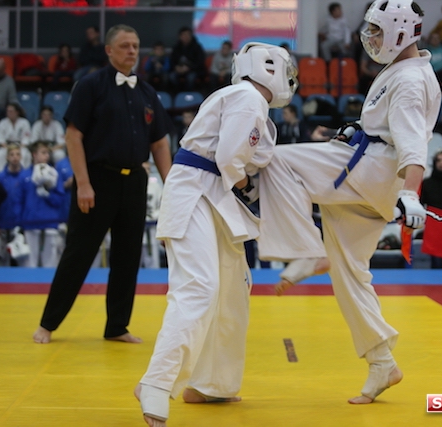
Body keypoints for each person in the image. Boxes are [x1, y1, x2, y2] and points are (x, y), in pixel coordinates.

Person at [257, 0, 440, 404]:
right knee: (350, 275)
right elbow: (392, 130)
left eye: (377, 31)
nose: (370, 38)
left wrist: (411, 193)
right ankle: (382, 363)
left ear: (400, 31)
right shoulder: (404, 70)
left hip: (372, 171)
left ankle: (308, 250)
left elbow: (413, 142)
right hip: (374, 181)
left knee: (278, 162)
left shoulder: (410, 80)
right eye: (369, 30)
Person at [134, 42, 297, 426]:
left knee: (233, 291)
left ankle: (212, 384)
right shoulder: (247, 97)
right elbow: (228, 160)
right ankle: (156, 382)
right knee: (200, 287)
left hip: (215, 196)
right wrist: (249, 187)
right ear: (269, 68)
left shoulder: (247, 101)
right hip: (197, 190)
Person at [32, 24, 172, 345]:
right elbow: (73, 136)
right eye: (125, 45)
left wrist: (173, 187)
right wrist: (83, 184)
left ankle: (117, 326)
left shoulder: (147, 92)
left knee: (128, 257)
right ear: (109, 50)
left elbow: (160, 144)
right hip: (97, 180)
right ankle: (48, 324)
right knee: (78, 254)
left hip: (134, 181)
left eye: (135, 45)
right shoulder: (90, 85)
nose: (132, 51)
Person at [15, 141, 65, 268]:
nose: (46, 156)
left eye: (48, 153)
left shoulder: (54, 174)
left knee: (50, 263)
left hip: (49, 222)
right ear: (34, 154)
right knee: (29, 263)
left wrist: (47, 194)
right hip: (30, 222)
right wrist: (18, 223)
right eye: (43, 153)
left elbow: (59, 200)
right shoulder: (24, 175)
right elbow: (18, 201)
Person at [0, 144, 25, 264]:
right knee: (2, 263)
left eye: (17, 154)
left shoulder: (26, 177)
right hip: (3, 224)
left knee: (21, 262)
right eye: (12, 155)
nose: (15, 157)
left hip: (21, 225)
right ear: (7, 157)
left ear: (21, 156)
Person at [0, 103, 32, 172]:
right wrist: (8, 148)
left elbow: (26, 138)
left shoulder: (24, 122)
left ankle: (23, 173)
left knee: (24, 154)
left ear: (17, 112)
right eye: (8, 111)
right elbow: (0, 139)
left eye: (11, 111)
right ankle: (2, 173)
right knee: (0, 154)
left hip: (20, 146)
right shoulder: (2, 123)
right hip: (6, 146)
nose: (9, 113)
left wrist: (19, 147)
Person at [169, 27, 206, 92]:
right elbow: (172, 60)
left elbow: (200, 62)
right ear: (180, 37)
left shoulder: (197, 47)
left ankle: (189, 94)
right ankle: (177, 94)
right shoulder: (176, 48)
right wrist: (176, 67)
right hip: (179, 70)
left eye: (188, 35)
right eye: (184, 35)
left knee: (190, 78)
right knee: (172, 76)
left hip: (193, 70)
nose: (186, 37)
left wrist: (189, 68)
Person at [141, 161, 161, 269]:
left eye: (148, 169)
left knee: (153, 259)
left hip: (152, 227)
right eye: (144, 169)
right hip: (136, 227)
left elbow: (163, 205)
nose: (146, 171)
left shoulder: (155, 186)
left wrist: (154, 215)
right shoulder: (132, 185)